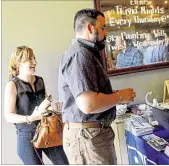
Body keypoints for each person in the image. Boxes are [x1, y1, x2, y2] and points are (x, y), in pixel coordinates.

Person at [58, 9, 136, 164]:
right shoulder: (80, 54)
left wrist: (117, 95)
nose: (105, 33)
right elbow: (88, 104)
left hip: (91, 135)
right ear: (89, 28)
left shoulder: (84, 53)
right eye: (102, 28)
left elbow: (91, 95)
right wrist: (120, 97)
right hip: (87, 137)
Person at [4, 46, 68, 165]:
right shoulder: (12, 85)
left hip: (47, 130)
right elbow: (8, 116)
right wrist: (31, 118)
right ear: (19, 63)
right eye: (30, 59)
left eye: (34, 58)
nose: (35, 62)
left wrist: (54, 108)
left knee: (64, 163)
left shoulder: (40, 81)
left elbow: (44, 107)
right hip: (26, 137)